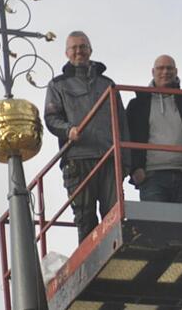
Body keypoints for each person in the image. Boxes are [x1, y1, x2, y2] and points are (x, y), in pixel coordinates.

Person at [44, 31, 131, 243]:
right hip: (78, 158)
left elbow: (122, 124)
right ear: (66, 53)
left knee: (114, 215)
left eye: (82, 47)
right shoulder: (58, 85)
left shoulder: (107, 84)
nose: (78, 51)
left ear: (90, 50)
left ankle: (115, 259)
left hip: (108, 158)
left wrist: (127, 162)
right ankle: (91, 265)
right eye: (74, 48)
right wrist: (68, 130)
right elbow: (51, 118)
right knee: (85, 217)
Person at [126, 55, 182, 203]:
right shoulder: (138, 105)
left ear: (176, 71)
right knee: (156, 225)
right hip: (151, 176)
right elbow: (126, 137)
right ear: (152, 72)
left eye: (169, 68)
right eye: (160, 68)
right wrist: (134, 168)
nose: (165, 72)